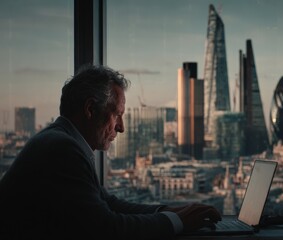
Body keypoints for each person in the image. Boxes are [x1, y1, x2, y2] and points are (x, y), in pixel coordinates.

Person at [0, 65, 221, 239]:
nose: (121, 127)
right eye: (117, 115)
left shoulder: (60, 140)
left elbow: (109, 203)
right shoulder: (62, 149)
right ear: (90, 109)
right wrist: (177, 221)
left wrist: (169, 210)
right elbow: (106, 229)